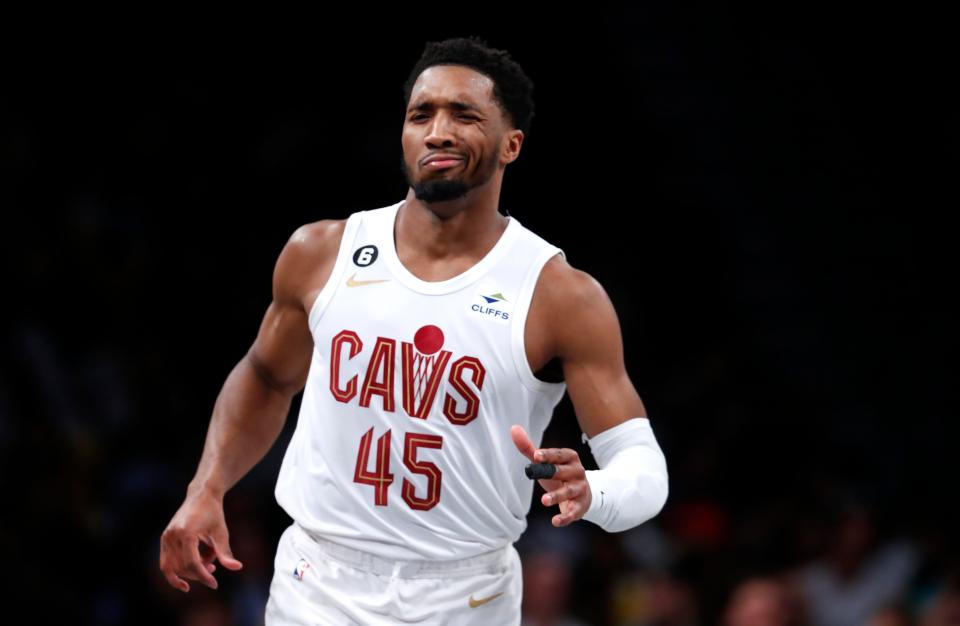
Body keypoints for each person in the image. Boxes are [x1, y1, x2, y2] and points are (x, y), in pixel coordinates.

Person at [159, 35, 669, 625]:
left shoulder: (559, 295)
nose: (438, 131)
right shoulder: (322, 251)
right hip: (317, 581)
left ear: (512, 144)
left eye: (464, 114)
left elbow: (642, 466)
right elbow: (266, 378)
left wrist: (595, 493)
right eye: (421, 114)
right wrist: (207, 486)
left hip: (465, 594)